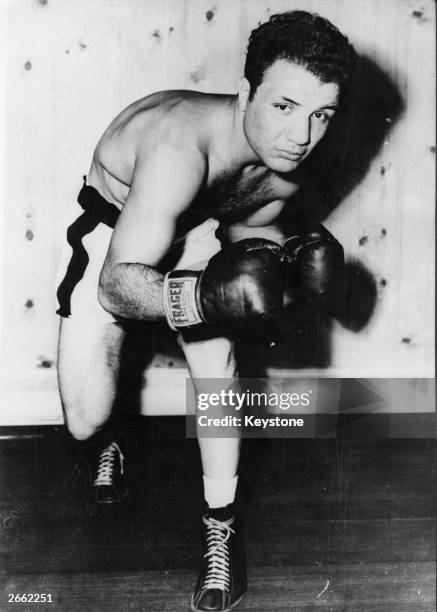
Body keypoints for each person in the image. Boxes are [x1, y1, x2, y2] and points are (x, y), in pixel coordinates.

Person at [56, 10, 356, 612]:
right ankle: (111, 437)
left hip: (196, 228)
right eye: (284, 106)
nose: (302, 134)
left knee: (218, 369)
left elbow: (250, 235)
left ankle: (220, 525)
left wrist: (289, 255)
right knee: (85, 421)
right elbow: (117, 287)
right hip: (118, 233)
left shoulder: (291, 161)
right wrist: (202, 296)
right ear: (247, 92)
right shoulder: (177, 147)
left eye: (320, 114)